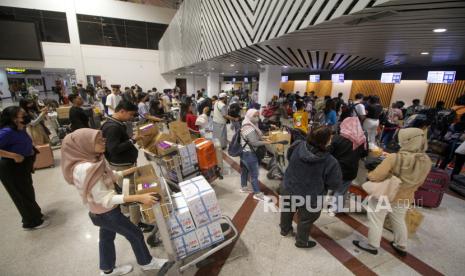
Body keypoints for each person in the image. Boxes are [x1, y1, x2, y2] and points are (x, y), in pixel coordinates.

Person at [60, 128, 168, 275]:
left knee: (106, 237)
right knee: (135, 234)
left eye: (103, 139)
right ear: (84, 145)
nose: (104, 142)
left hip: (99, 212)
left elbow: (108, 177)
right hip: (106, 212)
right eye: (99, 141)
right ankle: (147, 263)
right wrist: (139, 197)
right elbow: (104, 199)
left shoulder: (92, 159)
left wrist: (126, 172)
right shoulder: (86, 169)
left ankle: (107, 269)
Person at [353, 128, 432, 256]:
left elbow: (377, 175)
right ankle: (401, 245)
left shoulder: (395, 158)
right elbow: (421, 182)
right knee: (399, 220)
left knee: (376, 219)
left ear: (408, 141)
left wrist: (370, 175)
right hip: (406, 196)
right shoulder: (426, 161)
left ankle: (372, 245)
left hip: (386, 194)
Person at [280, 127, 342, 248]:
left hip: (290, 186)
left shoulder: (297, 145)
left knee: (287, 210)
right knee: (306, 220)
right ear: (324, 141)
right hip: (311, 195)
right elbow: (334, 184)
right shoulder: (330, 161)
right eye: (330, 138)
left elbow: (289, 156)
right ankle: (301, 242)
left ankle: (285, 231)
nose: (331, 140)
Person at [0, 106, 49, 230]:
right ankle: (31, 222)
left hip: (23, 164)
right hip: (10, 167)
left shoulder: (20, 128)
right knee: (21, 194)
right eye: (22, 115)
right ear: (13, 118)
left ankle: (35, 214)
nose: (26, 116)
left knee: (27, 191)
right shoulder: (6, 132)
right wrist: (13, 155)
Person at [329, 117, 367, 214]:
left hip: (336, 169)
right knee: (342, 190)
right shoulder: (361, 140)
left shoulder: (337, 138)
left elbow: (329, 153)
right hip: (351, 170)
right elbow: (363, 154)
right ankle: (337, 206)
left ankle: (334, 209)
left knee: (338, 189)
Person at [239, 109, 270, 200]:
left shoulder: (249, 123)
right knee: (254, 174)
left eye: (258, 115)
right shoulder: (248, 127)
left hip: (244, 153)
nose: (257, 118)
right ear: (249, 116)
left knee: (244, 171)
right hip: (249, 154)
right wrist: (267, 142)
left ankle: (243, 187)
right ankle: (257, 193)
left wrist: (264, 138)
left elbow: (256, 136)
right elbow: (254, 143)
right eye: (255, 116)